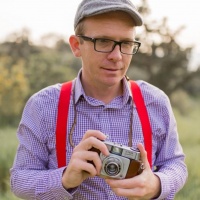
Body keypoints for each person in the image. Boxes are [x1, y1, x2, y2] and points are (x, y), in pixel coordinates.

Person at [10, 0, 188, 199]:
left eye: (126, 43)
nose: (116, 56)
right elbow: (19, 180)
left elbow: (175, 164)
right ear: (77, 46)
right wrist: (65, 179)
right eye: (103, 41)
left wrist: (156, 184)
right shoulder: (43, 106)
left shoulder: (155, 101)